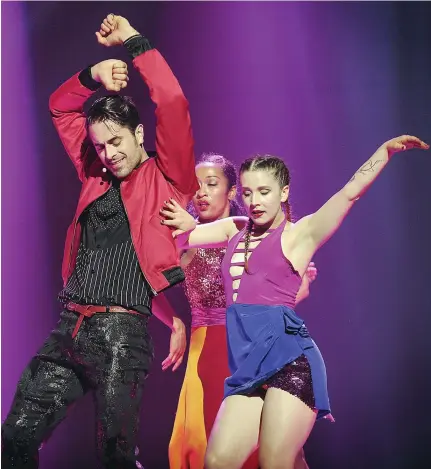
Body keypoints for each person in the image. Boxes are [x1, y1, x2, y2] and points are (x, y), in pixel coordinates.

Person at [1, 13, 198, 469]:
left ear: (139, 134)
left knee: (114, 456)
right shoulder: (94, 172)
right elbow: (59, 107)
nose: (108, 155)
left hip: (122, 335)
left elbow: (171, 99)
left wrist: (131, 42)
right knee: (15, 437)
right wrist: (93, 75)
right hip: (69, 329)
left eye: (115, 142)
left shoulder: (169, 177)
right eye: (100, 145)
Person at [160, 135, 428, 469]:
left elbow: (349, 193)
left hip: (291, 366)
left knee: (275, 462)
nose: (254, 200)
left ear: (283, 192)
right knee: (217, 461)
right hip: (247, 370)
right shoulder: (233, 230)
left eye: (264, 191)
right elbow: (181, 237)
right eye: (247, 192)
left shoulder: (300, 235)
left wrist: (384, 153)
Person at [166, 153, 316, 469]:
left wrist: (297, 290)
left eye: (212, 184)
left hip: (250, 345)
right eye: (197, 186)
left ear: (233, 191)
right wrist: (175, 322)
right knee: (199, 441)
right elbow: (141, 281)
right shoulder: (185, 243)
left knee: (270, 445)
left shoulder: (249, 236)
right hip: (203, 348)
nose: (202, 192)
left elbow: (276, 301)